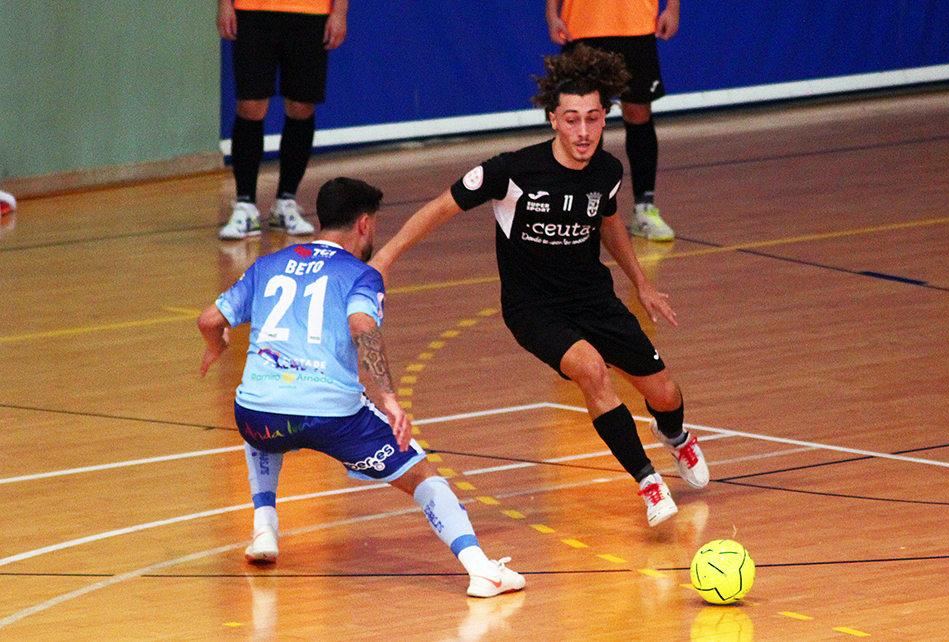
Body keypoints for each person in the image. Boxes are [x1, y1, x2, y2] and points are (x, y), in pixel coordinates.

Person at [370, 46, 708, 527]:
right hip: (533, 308)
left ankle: (676, 437)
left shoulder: (607, 171)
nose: (583, 131)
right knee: (591, 370)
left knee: (666, 394)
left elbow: (609, 222)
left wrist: (642, 283)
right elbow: (440, 207)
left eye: (593, 118)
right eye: (572, 119)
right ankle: (648, 481)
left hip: (594, 298)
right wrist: (384, 258)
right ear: (553, 119)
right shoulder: (511, 172)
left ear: (605, 118)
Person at [198, 177, 525, 598]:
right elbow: (362, 327)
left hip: (256, 415)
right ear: (365, 224)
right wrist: (389, 397)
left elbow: (210, 320)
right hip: (332, 417)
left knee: (263, 410)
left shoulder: (267, 265)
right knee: (422, 474)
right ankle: (482, 571)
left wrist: (217, 346)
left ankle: (264, 527)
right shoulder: (360, 275)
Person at [546, 0, 679, 242]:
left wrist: (672, 8)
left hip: (636, 23)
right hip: (582, 25)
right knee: (586, 116)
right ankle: (585, 210)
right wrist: (552, 12)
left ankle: (644, 209)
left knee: (638, 113)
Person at [216, 0, 348, 240]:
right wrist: (225, 5)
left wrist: (339, 12)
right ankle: (245, 205)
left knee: (301, 106)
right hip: (252, 12)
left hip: (310, 13)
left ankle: (286, 202)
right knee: (250, 105)